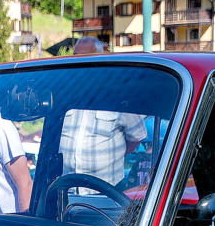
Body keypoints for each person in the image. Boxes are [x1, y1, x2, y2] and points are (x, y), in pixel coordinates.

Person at [58, 37, 148, 189]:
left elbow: (136, 136)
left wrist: (113, 155)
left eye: (86, 58)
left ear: (99, 59)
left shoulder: (118, 95)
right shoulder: (64, 95)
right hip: (66, 190)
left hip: (108, 192)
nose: (80, 63)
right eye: (76, 57)